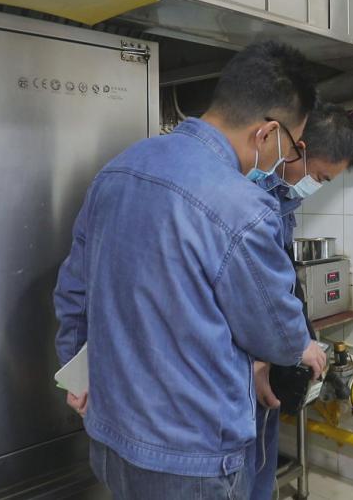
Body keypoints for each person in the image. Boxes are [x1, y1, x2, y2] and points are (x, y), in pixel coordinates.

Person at [53, 41, 328, 499]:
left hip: (111, 436)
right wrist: (303, 343)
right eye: (289, 148)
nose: (284, 161)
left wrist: (79, 380)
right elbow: (278, 337)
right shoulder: (243, 206)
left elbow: (74, 293)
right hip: (191, 459)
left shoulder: (118, 170)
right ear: (266, 133)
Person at [247, 102, 353, 500]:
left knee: (259, 464)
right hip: (241, 366)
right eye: (319, 177)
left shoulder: (282, 198)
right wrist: (288, 346)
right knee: (245, 469)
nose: (316, 186)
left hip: (264, 358)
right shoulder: (249, 198)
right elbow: (256, 287)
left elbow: (281, 279)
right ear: (298, 148)